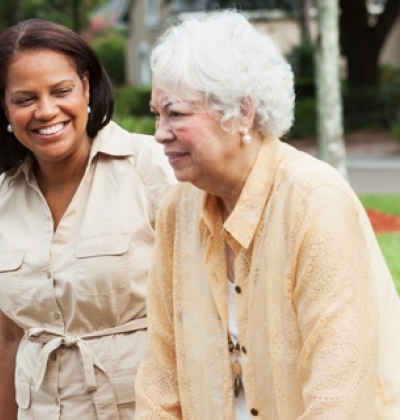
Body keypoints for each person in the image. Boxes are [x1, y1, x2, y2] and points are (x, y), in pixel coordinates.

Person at [135, 10, 400, 419]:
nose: (159, 132)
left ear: (242, 112)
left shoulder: (315, 202)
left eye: (176, 114)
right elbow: (161, 375)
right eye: (156, 114)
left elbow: (339, 391)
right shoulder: (176, 209)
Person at [0, 19, 176, 419]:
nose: (46, 111)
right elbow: (12, 336)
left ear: (86, 87)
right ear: (4, 107)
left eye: (61, 91)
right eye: (25, 98)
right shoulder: (1, 197)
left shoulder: (153, 167)